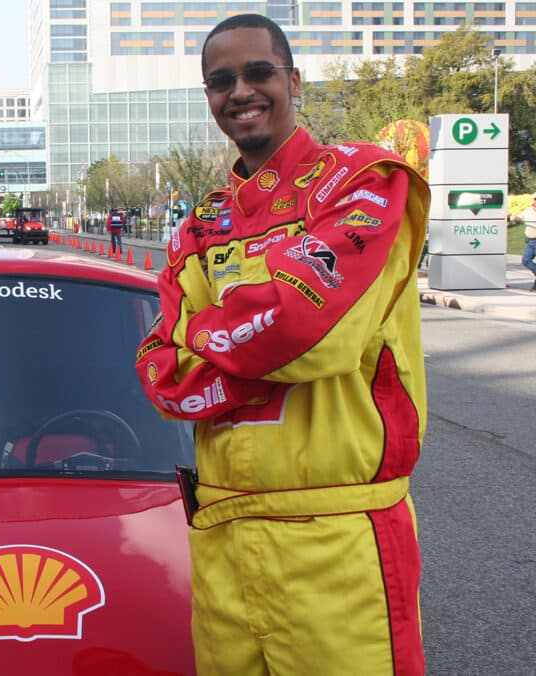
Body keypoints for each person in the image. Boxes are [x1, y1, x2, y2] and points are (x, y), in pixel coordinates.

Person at [134, 14, 429, 675]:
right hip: (222, 543)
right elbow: (159, 371)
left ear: (293, 81)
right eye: (220, 80)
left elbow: (308, 330)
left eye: (258, 72)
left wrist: (209, 340)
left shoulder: (364, 180)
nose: (240, 90)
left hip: (339, 540)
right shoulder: (200, 226)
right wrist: (255, 344)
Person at [511, 193, 536, 289]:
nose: (535, 201)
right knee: (525, 260)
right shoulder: (528, 210)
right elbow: (519, 217)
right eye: (534, 199)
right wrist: (511, 218)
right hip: (530, 241)